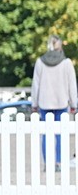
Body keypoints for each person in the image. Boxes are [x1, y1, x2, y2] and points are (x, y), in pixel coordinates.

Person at [31, 34, 78, 169]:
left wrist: (34, 103)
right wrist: (74, 104)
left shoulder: (40, 62)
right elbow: (72, 85)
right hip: (61, 102)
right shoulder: (66, 63)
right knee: (60, 134)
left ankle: (47, 163)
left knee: (46, 134)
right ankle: (58, 162)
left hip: (44, 103)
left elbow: (36, 84)